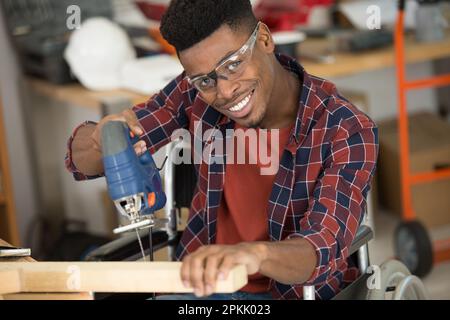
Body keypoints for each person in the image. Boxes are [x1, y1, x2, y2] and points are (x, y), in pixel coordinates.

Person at [65, 0, 378, 300]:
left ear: (265, 39)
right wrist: (103, 136)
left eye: (234, 63)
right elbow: (81, 161)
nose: (225, 91)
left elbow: (319, 247)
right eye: (205, 80)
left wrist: (252, 255)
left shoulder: (346, 129)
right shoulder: (194, 93)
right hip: (202, 291)